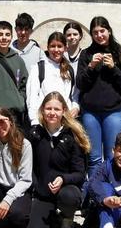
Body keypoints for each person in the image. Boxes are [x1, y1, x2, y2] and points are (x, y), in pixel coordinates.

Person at [28, 92, 90, 228]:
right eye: (48, 108)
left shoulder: (72, 137)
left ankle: (66, 219)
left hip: (66, 191)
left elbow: (80, 174)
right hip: (42, 195)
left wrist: (63, 179)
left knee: (69, 197)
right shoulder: (34, 134)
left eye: (56, 109)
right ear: (42, 110)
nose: (52, 112)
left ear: (64, 111)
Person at [77, 16, 121, 167]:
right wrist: (91, 67)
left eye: (102, 31)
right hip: (90, 112)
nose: (99, 35)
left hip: (113, 111)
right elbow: (80, 83)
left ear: (109, 31)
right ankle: (95, 189)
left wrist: (113, 68)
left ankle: (110, 188)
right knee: (93, 157)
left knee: (111, 155)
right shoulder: (86, 54)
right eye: (95, 32)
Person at [27, 31, 80, 125]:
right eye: (52, 46)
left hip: (64, 121)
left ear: (65, 48)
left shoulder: (69, 69)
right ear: (47, 47)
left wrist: (75, 107)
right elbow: (32, 96)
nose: (56, 50)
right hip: (43, 120)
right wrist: (34, 121)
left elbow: (74, 94)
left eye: (59, 46)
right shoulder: (39, 68)